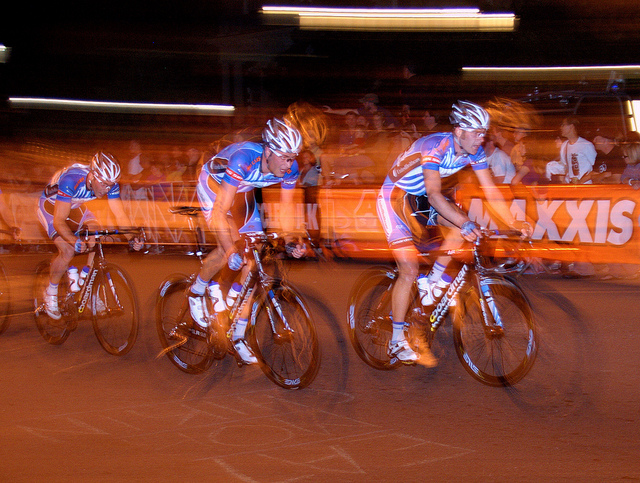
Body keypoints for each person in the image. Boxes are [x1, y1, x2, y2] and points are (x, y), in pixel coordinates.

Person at [376, 101, 528, 365]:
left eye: (484, 132)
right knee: (410, 269)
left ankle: (432, 282)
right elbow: (435, 195)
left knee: (462, 228)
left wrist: (515, 221)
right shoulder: (435, 147)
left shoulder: (474, 152)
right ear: (459, 132)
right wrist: (465, 222)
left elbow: (491, 191)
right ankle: (397, 340)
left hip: (421, 197)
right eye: (477, 132)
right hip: (396, 197)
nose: (482, 137)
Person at [187, 118, 306, 365]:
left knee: (255, 260)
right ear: (269, 152)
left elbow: (286, 210)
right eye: (285, 157)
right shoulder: (244, 159)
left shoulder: (289, 168)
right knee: (227, 247)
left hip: (243, 191)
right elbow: (221, 210)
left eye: (293, 157)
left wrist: (292, 239)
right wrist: (230, 249)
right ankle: (196, 291)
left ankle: (238, 333)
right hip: (215, 188)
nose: (290, 164)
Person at [36, 152, 144, 320]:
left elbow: (119, 214)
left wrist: (132, 238)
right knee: (68, 250)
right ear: (93, 175)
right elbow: (59, 221)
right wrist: (74, 240)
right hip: (52, 209)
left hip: (76, 206)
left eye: (111, 185)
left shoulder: (108, 183)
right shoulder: (71, 180)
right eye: (104, 184)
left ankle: (86, 288)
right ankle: (50, 292)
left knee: (96, 233)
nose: (106, 189)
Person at [559, 116, 597, 184]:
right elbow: (564, 165)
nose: (561, 127)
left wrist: (581, 181)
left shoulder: (586, 145)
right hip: (570, 185)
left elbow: (595, 168)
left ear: (571, 126)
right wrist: (563, 179)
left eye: (563, 125)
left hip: (585, 186)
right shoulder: (564, 145)